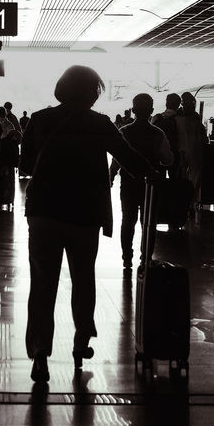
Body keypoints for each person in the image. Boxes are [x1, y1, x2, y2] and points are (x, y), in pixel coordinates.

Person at [21, 66, 154, 384]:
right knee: (83, 279)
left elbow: (25, 165)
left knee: (43, 283)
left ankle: (40, 352)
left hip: (44, 213)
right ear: (93, 92)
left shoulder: (40, 120)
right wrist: (156, 174)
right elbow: (129, 158)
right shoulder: (100, 124)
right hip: (83, 215)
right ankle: (81, 342)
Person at [110, 93, 173, 269]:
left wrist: (111, 176)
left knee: (128, 220)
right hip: (151, 185)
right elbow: (168, 159)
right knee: (149, 222)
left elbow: (116, 159)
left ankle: (126, 257)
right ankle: (145, 256)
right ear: (152, 111)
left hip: (129, 183)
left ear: (133, 110)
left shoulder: (124, 131)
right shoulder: (158, 133)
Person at [175, 92, 208, 216]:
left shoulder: (177, 119)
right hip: (196, 153)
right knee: (195, 180)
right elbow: (204, 139)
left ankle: (183, 203)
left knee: (182, 180)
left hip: (182, 153)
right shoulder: (197, 121)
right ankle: (191, 204)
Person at [0, 106, 21, 209]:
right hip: (8, 155)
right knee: (9, 178)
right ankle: (9, 199)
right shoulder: (9, 124)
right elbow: (16, 138)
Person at [151, 94, 181, 172]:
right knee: (174, 180)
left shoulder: (157, 118)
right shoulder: (180, 120)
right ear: (178, 104)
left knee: (158, 181)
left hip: (158, 155)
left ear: (166, 103)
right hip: (175, 154)